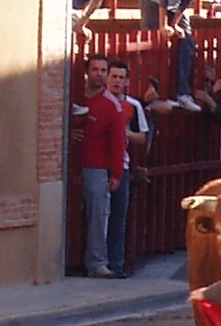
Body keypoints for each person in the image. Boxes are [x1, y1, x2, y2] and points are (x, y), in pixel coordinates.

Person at [78, 54, 126, 278]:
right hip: (71, 165)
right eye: (95, 69)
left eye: (102, 70)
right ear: (87, 71)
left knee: (98, 215)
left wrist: (116, 174)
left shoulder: (111, 106)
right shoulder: (75, 96)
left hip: (97, 168)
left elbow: (119, 142)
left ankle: (97, 263)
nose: (99, 74)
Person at [106, 60, 147, 278]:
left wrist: (123, 134)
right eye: (114, 76)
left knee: (118, 216)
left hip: (121, 165)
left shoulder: (133, 105)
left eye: (121, 77)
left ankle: (116, 263)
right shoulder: (98, 101)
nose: (117, 81)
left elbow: (142, 136)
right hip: (97, 165)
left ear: (127, 81)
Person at [151, 0, 201, 111]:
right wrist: (163, 24)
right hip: (153, 2)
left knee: (187, 38)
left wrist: (175, 24)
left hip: (173, 5)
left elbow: (184, 3)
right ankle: (155, 93)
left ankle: (182, 93)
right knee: (153, 36)